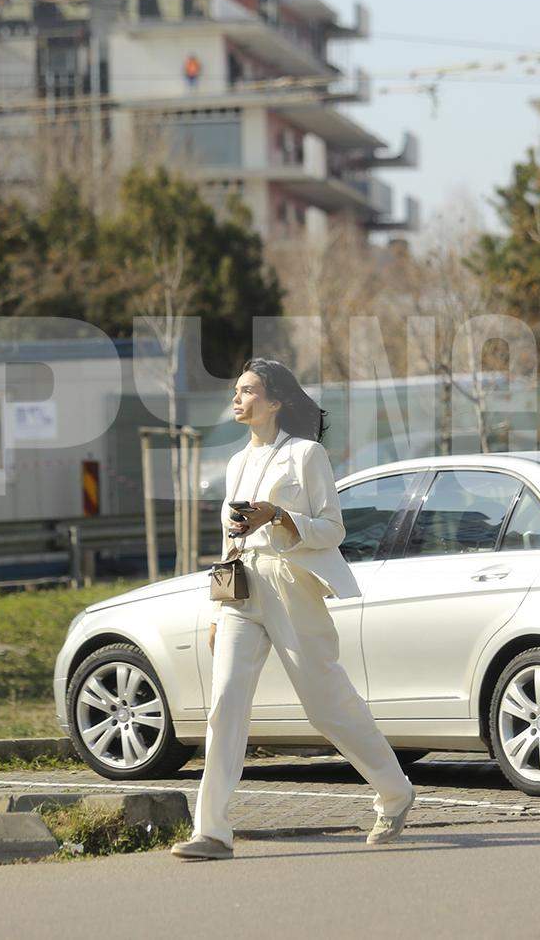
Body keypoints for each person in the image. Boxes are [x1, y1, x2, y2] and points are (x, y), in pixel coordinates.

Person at [170, 359, 415, 861]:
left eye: (247, 391)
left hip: (290, 586)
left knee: (326, 705)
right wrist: (217, 612)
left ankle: (395, 792)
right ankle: (212, 832)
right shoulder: (237, 463)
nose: (237, 399)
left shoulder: (307, 455)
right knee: (225, 707)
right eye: (236, 391)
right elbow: (229, 537)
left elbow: (332, 529)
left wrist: (279, 516)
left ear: (275, 401)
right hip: (242, 591)